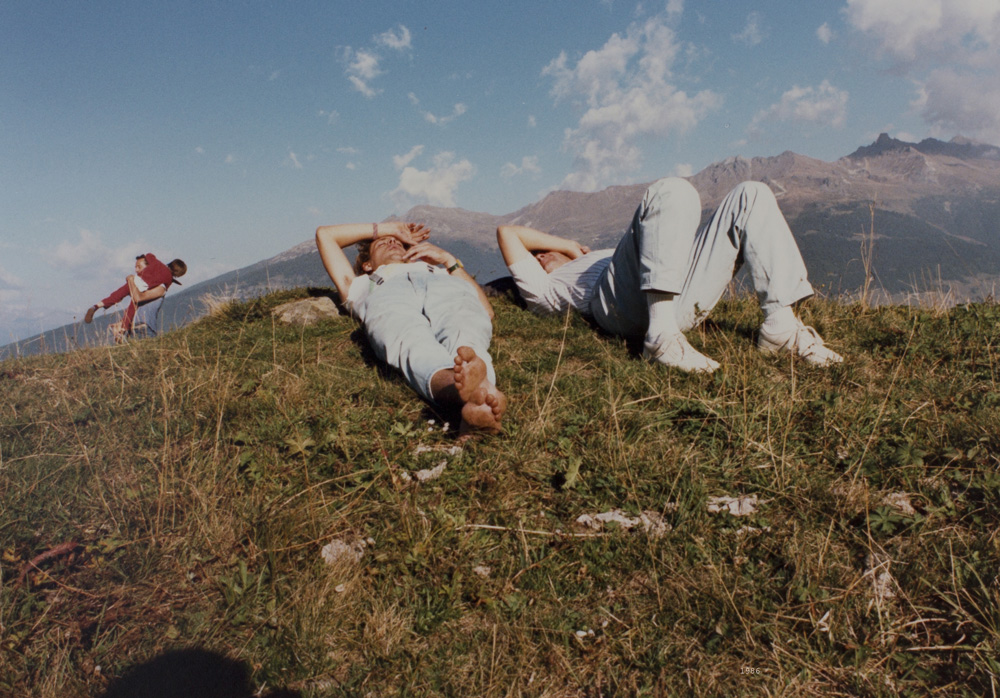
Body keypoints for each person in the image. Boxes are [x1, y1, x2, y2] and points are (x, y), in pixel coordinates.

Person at [497, 177, 842, 373]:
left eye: (542, 250)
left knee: (752, 193)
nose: (539, 254)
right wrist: (567, 247)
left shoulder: (601, 256)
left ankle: (780, 327)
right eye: (535, 256)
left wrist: (578, 253)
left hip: (672, 298)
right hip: (615, 306)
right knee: (671, 190)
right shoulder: (543, 291)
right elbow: (508, 233)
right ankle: (660, 340)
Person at [316, 221, 505, 435]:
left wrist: (448, 260)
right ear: (367, 265)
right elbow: (325, 235)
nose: (392, 241)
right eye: (382, 243)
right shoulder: (360, 284)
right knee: (409, 338)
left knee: (466, 329)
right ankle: (467, 393)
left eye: (398, 242)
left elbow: (485, 311)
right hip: (388, 293)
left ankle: (477, 395)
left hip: (444, 287)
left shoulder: (440, 271)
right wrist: (390, 229)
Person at [84, 254, 187, 342]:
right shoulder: (166, 281)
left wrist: (131, 280)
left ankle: (96, 306)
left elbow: (137, 298)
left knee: (116, 295)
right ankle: (122, 330)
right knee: (131, 304)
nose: (136, 270)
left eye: (139, 267)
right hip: (138, 328)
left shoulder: (160, 284)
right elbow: (137, 304)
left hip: (143, 328)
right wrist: (122, 324)